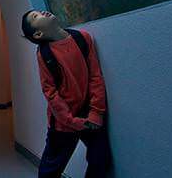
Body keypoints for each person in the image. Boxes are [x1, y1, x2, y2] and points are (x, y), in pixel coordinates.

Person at [21, 9, 112, 178]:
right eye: (35, 16)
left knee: (101, 159)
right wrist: (70, 120)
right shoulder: (45, 54)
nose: (41, 12)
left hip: (90, 116)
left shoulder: (83, 38)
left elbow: (95, 75)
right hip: (63, 122)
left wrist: (96, 112)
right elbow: (50, 92)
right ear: (39, 34)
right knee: (51, 168)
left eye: (38, 12)